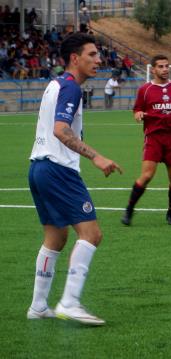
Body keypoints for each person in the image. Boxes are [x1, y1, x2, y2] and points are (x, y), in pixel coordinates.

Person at [27, 33, 122, 325]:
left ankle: (39, 306)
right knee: (91, 235)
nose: (98, 60)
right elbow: (60, 130)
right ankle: (69, 302)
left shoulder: (55, 84)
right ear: (74, 59)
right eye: (92, 55)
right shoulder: (71, 88)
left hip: (38, 168)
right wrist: (96, 156)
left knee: (56, 237)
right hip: (58, 170)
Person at [121, 54, 171, 226]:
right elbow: (137, 110)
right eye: (161, 66)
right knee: (147, 175)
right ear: (153, 69)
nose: (165, 69)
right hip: (154, 137)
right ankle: (129, 209)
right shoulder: (145, 90)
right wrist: (138, 115)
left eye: (167, 66)